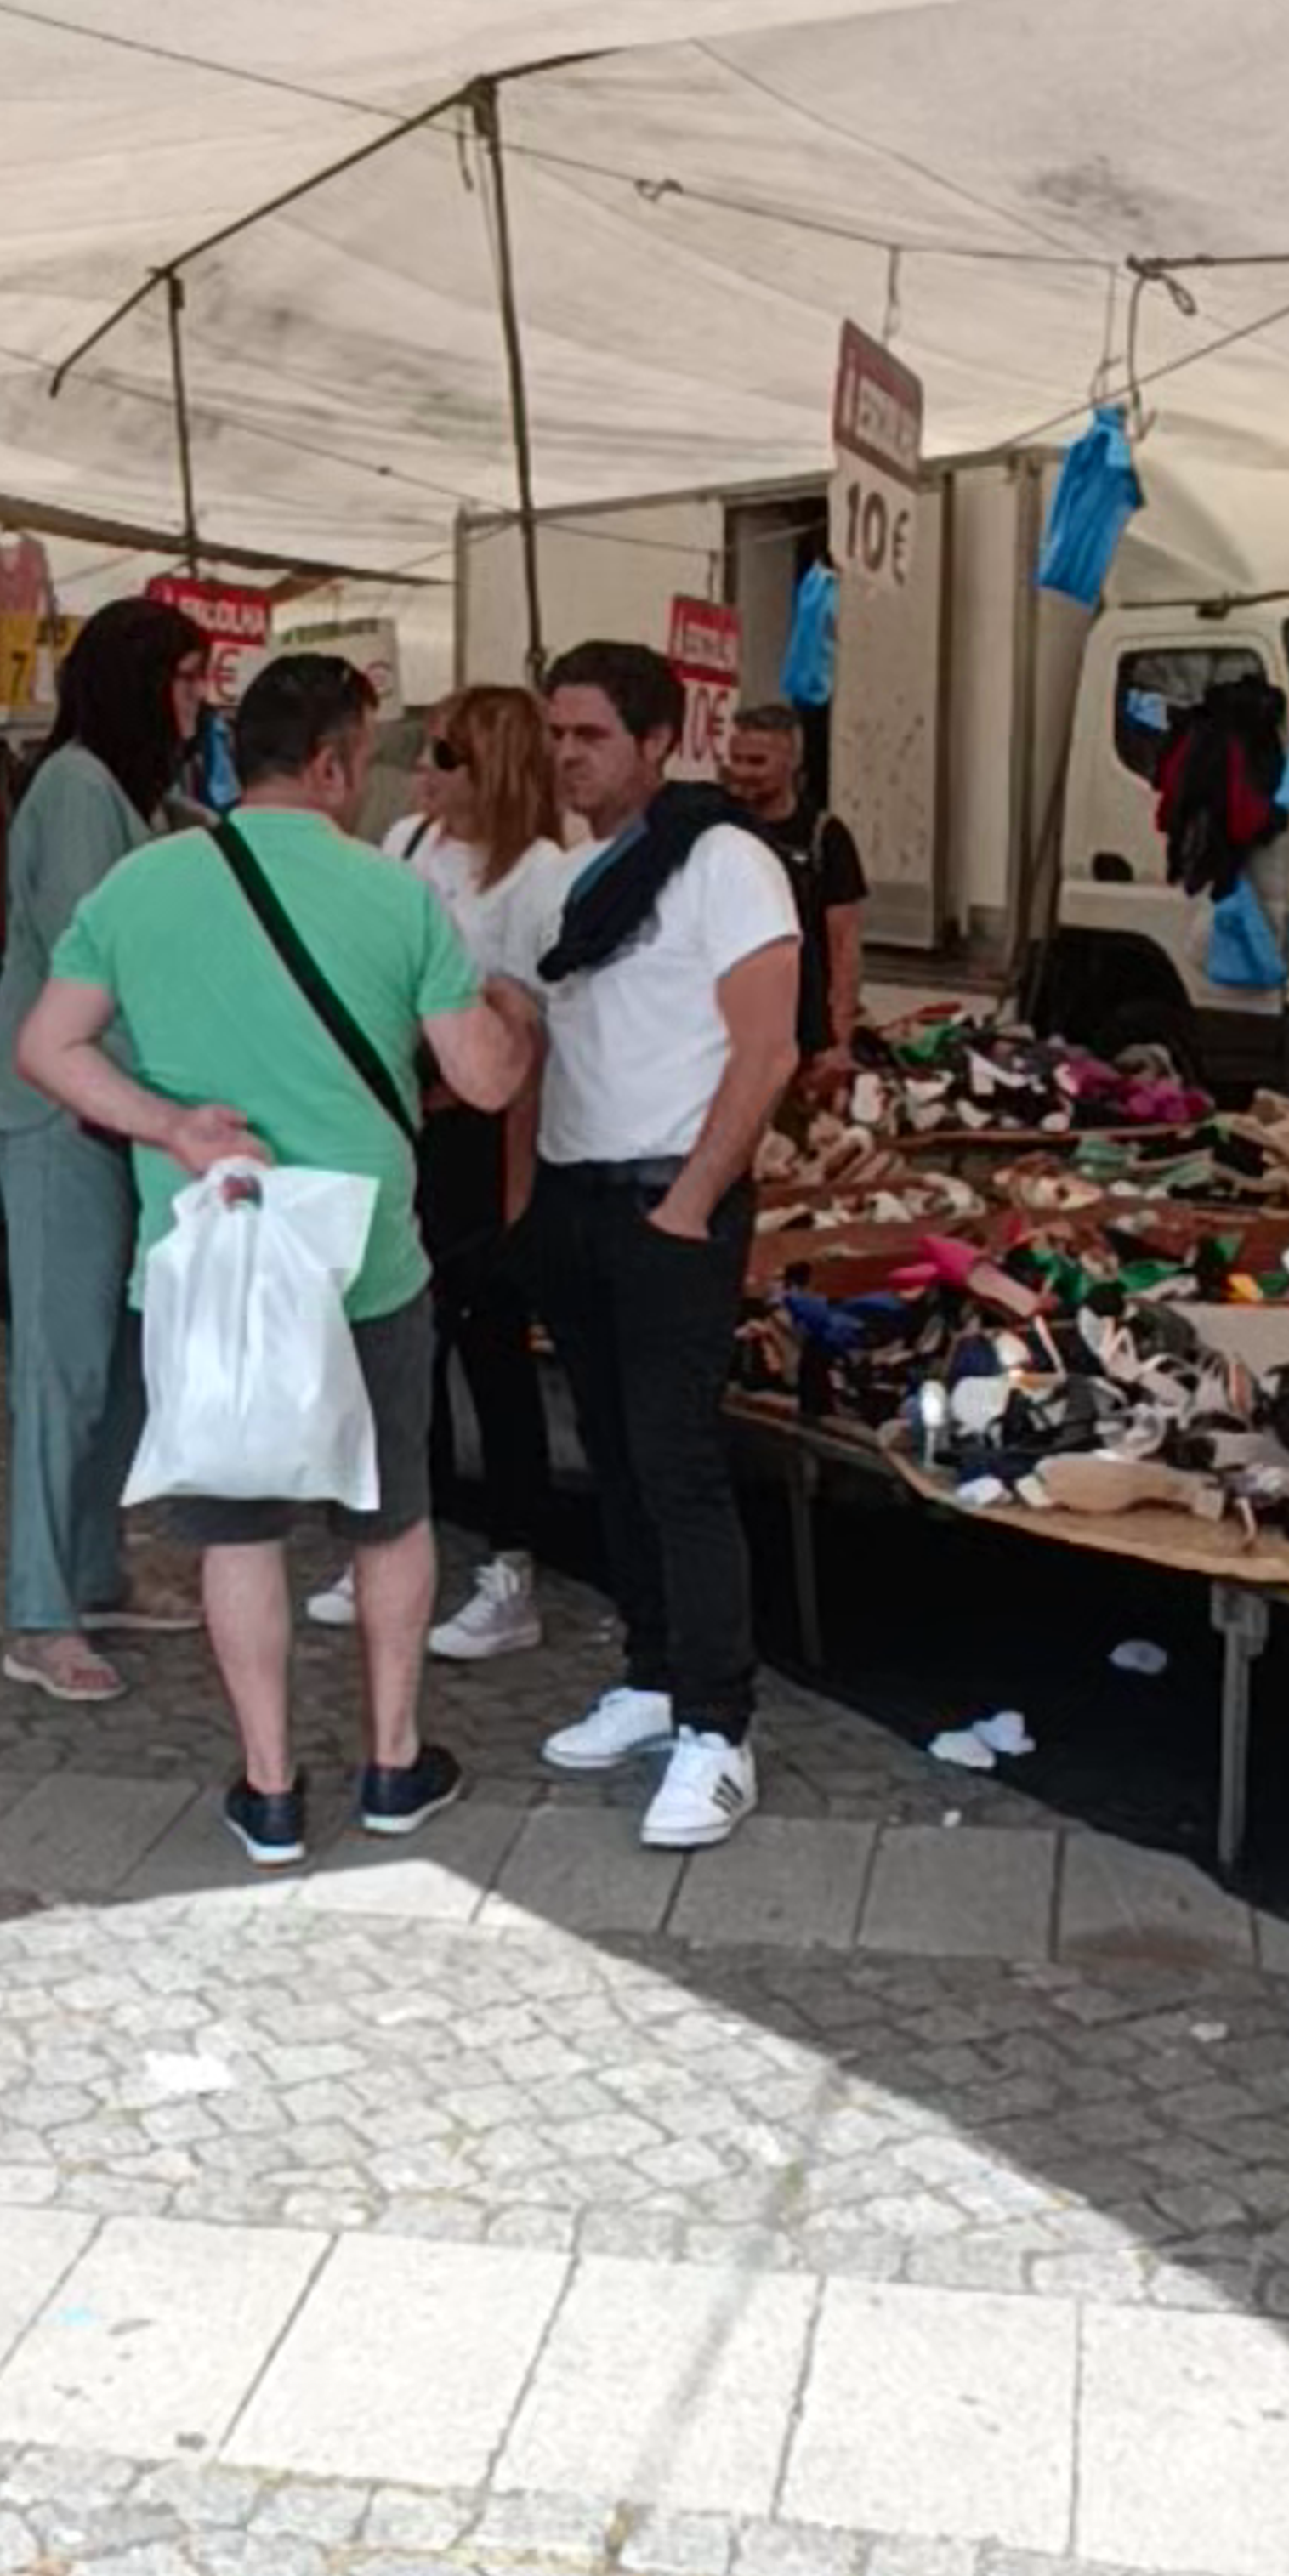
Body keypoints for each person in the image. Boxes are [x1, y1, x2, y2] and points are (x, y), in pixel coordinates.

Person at [15, 649, 534, 1869]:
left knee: (239, 1533)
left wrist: (167, 1124)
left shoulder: (142, 887)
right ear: (335, 759)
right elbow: (483, 1078)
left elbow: (50, 1044)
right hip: (365, 1263)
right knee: (388, 1515)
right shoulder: (396, 896)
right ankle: (396, 1761)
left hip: (209, 1269)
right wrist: (519, 1013)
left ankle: (270, 1790)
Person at [529, 641, 800, 1852]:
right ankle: (651, 1672)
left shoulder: (725, 861)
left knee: (679, 1461)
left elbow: (767, 1049)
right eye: (555, 733)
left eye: (588, 734)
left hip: (669, 1202)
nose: (565, 755)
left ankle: (717, 1724)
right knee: (616, 1455)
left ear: (653, 740)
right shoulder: (584, 874)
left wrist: (693, 1199)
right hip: (582, 1196)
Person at [0, 599, 209, 1706]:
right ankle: (38, 1609)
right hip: (64, 1109)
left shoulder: (129, 793)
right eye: (188, 677)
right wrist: (166, 1103)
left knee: (117, 1369)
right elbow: (89, 963)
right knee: (63, 1370)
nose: (199, 698)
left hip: (108, 1111)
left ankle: (94, 1568)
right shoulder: (75, 789)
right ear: (140, 679)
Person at [304, 685, 570, 1665]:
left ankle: (513, 1564)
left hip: (483, 1129)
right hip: (408, 1121)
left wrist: (520, 1182)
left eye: (442, 756)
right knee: (396, 1344)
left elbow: (539, 1034)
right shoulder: (408, 846)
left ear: (487, 765)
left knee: (490, 1348)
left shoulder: (540, 875)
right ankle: (390, 1537)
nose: (420, 774)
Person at [723, 698, 866, 1081]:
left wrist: (838, 1040)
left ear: (792, 763)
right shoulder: (718, 832)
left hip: (803, 1028)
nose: (742, 773)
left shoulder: (826, 837)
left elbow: (844, 945)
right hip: (731, 1025)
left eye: (757, 763)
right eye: (736, 759)